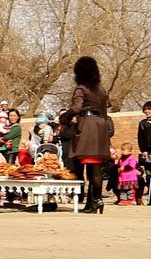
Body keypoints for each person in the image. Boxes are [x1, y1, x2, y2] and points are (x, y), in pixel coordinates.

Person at [59, 55, 113, 214]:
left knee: (91, 165)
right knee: (94, 164)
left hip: (87, 126)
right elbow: (104, 111)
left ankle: (96, 200)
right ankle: (92, 202)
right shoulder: (101, 90)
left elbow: (76, 108)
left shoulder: (81, 89)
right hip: (100, 126)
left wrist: (65, 117)